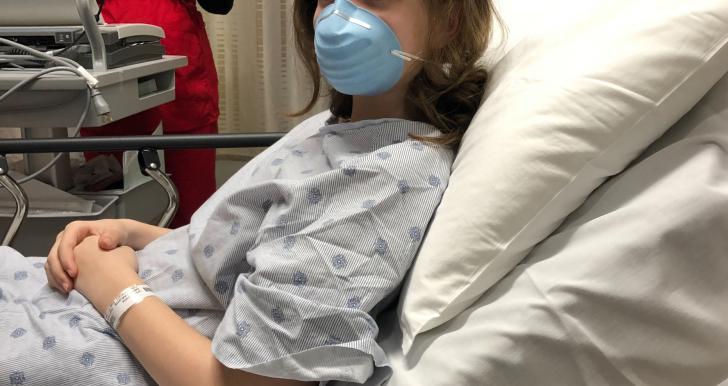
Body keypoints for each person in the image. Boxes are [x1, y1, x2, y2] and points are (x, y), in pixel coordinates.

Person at [0, 1, 498, 385]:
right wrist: (131, 232)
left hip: (102, 331)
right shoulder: (339, 127)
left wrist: (112, 285)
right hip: (98, 294)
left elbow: (248, 382)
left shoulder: (387, 173)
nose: (339, 17)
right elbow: (244, 249)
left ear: (450, 20)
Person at [80, 0, 233, 227]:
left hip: (178, 72)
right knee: (109, 213)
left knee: (190, 214)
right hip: (106, 64)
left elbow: (221, 4)